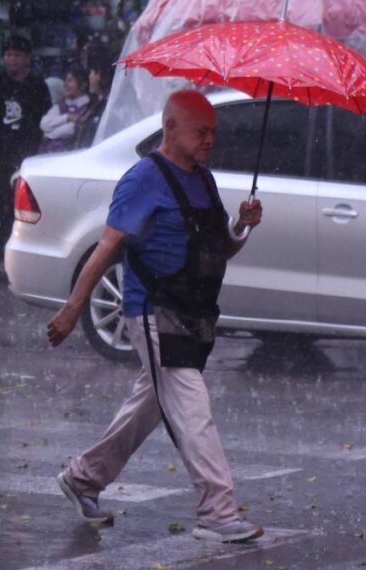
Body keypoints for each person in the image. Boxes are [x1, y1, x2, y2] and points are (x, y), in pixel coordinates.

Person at [46, 90, 265, 543]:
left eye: (213, 133)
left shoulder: (202, 179)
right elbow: (107, 247)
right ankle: (217, 511)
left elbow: (220, 246)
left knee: (150, 404)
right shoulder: (144, 179)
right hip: (151, 310)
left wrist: (241, 225)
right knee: (190, 405)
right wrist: (72, 309)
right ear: (170, 129)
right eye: (201, 132)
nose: (209, 140)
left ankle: (82, 478)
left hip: (192, 312)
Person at [0, 35, 51, 265]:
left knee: (15, 205)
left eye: (16, 55)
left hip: (24, 156)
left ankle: (9, 251)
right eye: (8, 55)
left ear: (26, 58)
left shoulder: (37, 86)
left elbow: (47, 121)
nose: (11, 60)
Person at [38, 67, 91, 154]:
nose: (65, 85)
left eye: (70, 81)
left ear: (83, 85)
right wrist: (67, 118)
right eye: (65, 81)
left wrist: (48, 135)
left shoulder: (88, 107)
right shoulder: (60, 106)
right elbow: (43, 124)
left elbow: (71, 130)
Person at [74, 51, 113, 149]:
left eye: (91, 72)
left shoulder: (109, 107)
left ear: (99, 75)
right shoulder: (93, 103)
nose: (89, 76)